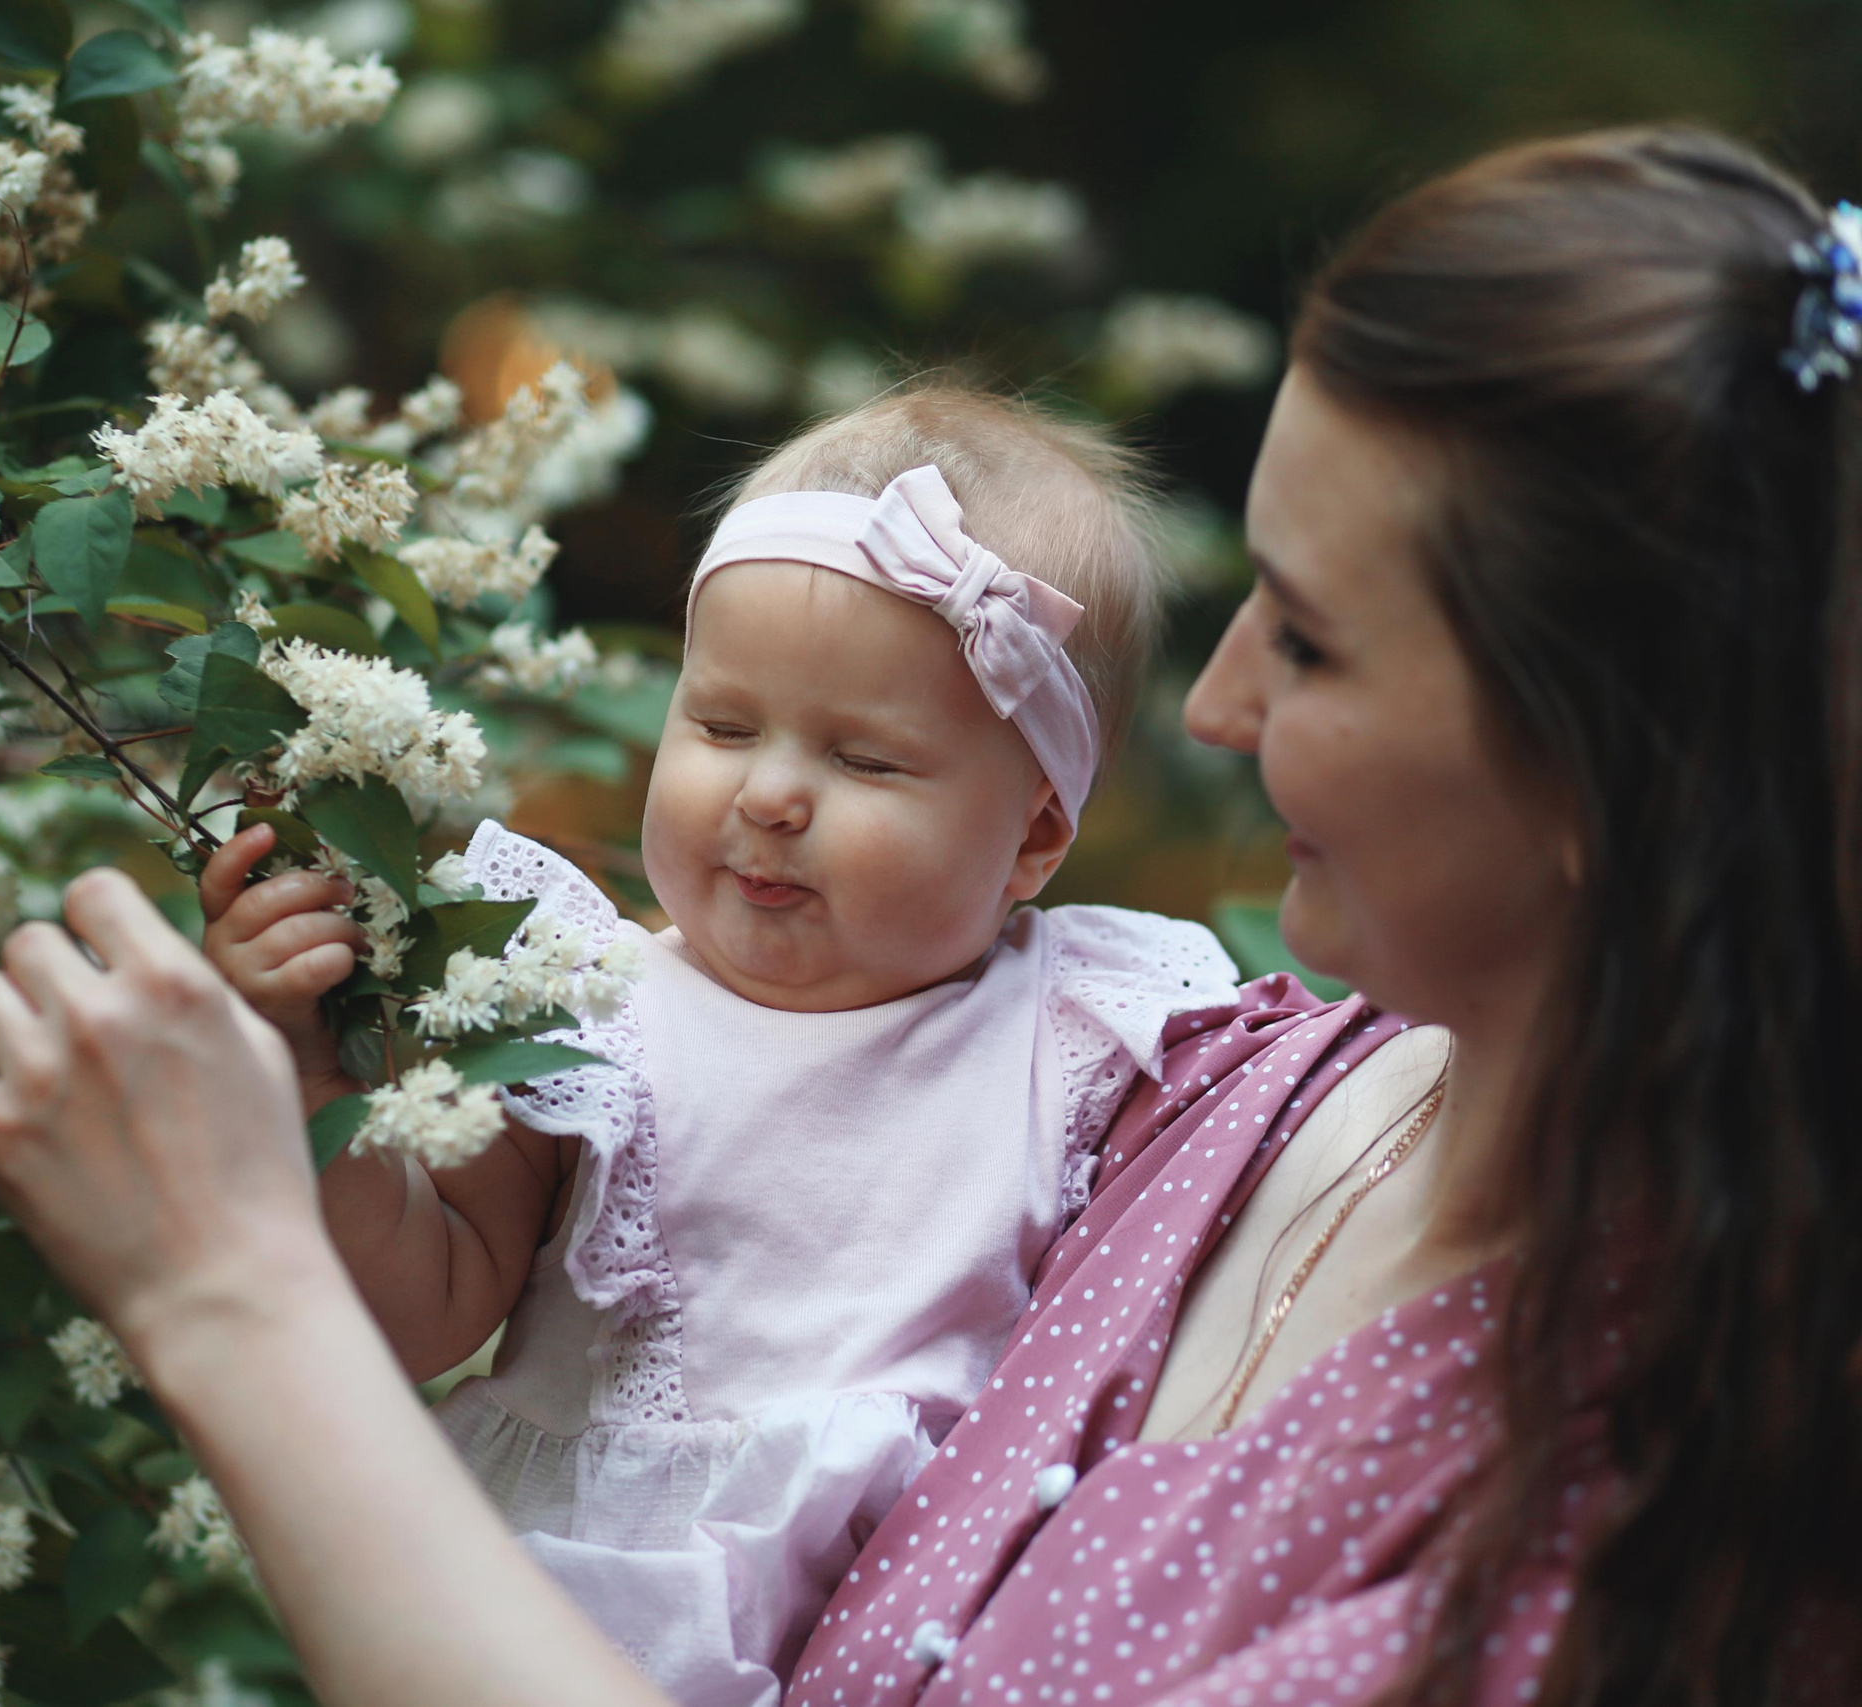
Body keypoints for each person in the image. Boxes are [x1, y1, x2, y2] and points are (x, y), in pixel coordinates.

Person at [0, 127, 1862, 1707]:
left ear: (1620, 779)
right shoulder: (1225, 1083)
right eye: (722, 719)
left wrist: (221, 1285)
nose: (1211, 709)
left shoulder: (1613, 1545)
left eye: (1318, 636)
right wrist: (316, 1071)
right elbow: (446, 1271)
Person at [195, 387, 1242, 1705]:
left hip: (930, 1628)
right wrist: (308, 1077)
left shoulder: (1086, 1030)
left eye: (866, 760)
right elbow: (422, 1307)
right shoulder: (586, 1007)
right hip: (585, 1630)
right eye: (724, 726)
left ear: (1035, 836)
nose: (769, 794)